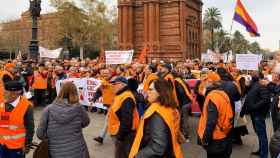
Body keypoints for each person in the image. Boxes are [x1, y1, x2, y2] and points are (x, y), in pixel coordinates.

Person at [129, 79, 183, 158]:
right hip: (172, 152)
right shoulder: (172, 109)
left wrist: (137, 156)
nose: (147, 92)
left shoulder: (156, 113)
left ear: (161, 92)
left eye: (151, 89)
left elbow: (158, 147)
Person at [36, 81, 90, 158]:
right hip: (78, 150)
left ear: (60, 91)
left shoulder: (48, 109)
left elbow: (40, 134)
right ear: (75, 92)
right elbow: (86, 122)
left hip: (55, 152)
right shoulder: (79, 108)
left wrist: (53, 135)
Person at [197, 81, 234, 158]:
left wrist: (206, 139)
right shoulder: (223, 94)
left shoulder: (212, 97)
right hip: (224, 131)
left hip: (215, 137)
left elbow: (211, 121)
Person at [0, 81, 34, 158]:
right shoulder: (2, 102)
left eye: (6, 93)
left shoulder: (27, 107)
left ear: (15, 93)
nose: (3, 94)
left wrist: (27, 145)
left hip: (17, 147)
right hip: (2, 144)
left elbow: (30, 128)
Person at [107, 76, 139, 158]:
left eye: (115, 84)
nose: (112, 86)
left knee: (123, 155)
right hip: (120, 133)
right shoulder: (120, 95)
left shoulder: (126, 97)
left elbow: (127, 121)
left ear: (122, 85)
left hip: (125, 136)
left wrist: (120, 137)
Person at [241, 72, 270, 158]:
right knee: (259, 133)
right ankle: (261, 150)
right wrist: (246, 86)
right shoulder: (253, 85)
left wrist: (254, 106)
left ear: (260, 77)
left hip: (258, 114)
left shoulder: (262, 86)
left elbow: (266, 99)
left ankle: (264, 154)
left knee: (262, 134)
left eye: (255, 74)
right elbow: (247, 97)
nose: (253, 75)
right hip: (254, 114)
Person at [93, 69, 114, 144]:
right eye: (103, 73)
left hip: (115, 104)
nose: (105, 74)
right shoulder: (102, 82)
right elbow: (98, 92)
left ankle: (101, 137)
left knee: (108, 120)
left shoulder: (114, 81)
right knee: (109, 120)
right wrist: (94, 99)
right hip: (109, 105)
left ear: (110, 73)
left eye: (106, 73)